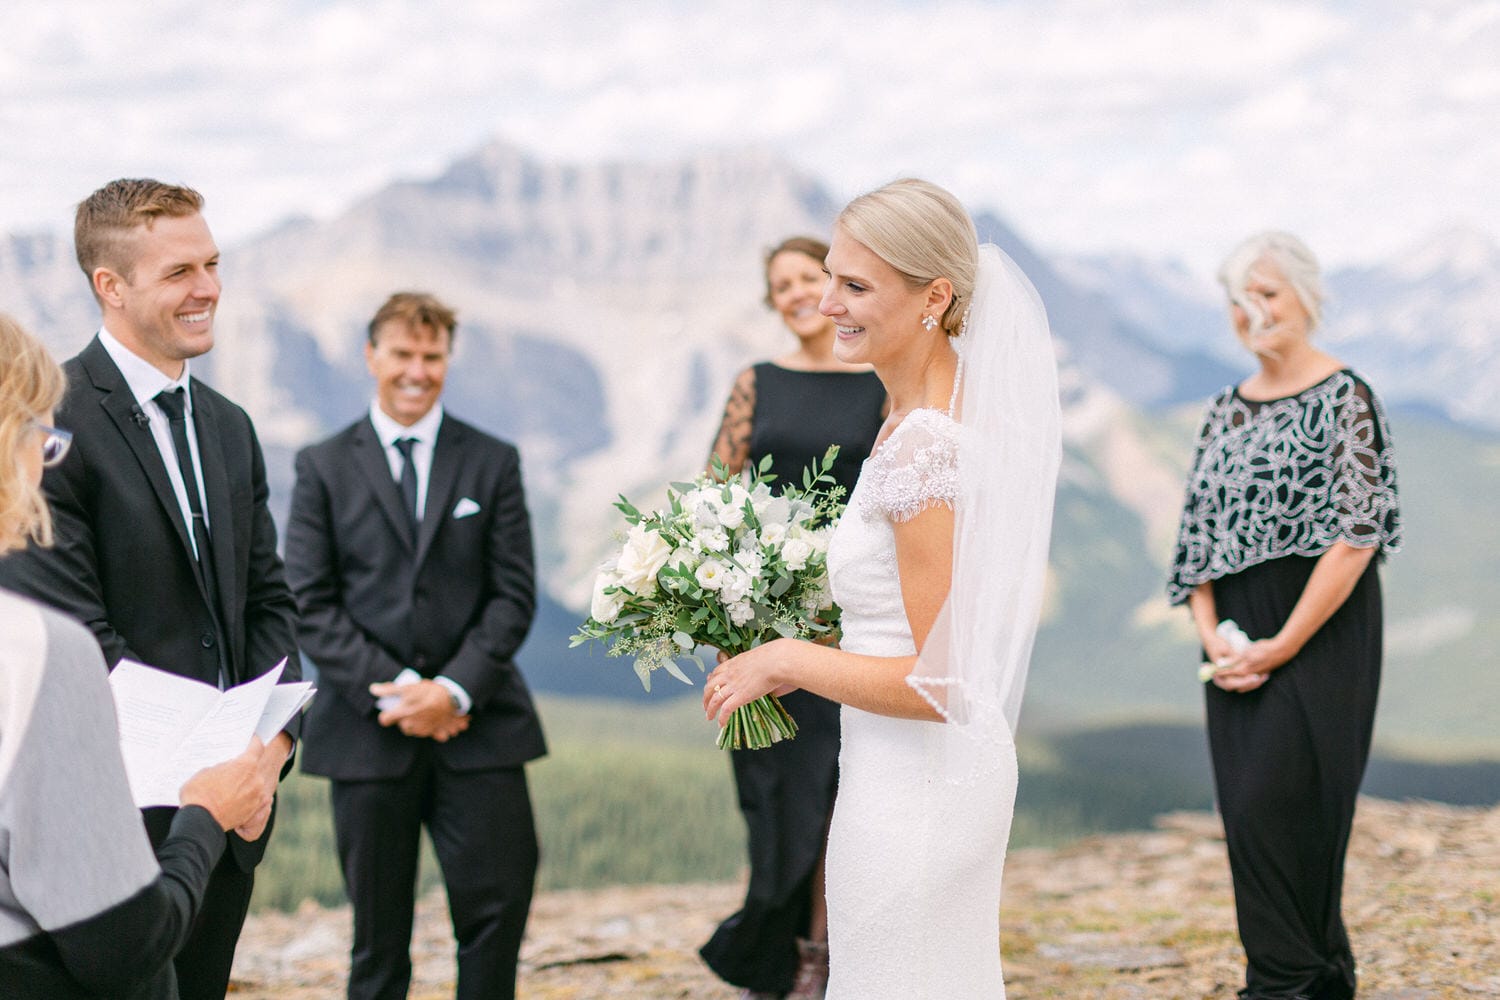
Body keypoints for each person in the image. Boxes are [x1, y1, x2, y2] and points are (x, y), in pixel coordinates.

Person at [703, 180, 1061, 998]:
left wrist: (785, 659)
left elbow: (943, 681)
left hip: (916, 787)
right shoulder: (920, 418)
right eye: (831, 277)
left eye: (855, 286)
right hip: (899, 771)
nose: (826, 303)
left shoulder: (925, 446)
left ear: (935, 296)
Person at [0, 178, 302, 1000]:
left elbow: (269, 602)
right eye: (179, 272)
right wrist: (201, 777)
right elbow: (74, 635)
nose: (208, 287)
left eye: (211, 263)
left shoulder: (232, 427)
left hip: (231, 817)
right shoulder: (47, 421)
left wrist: (267, 753)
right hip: (107, 830)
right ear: (112, 285)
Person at [284, 292, 546, 1000]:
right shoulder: (323, 465)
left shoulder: (492, 460)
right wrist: (405, 694)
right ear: (372, 356)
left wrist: (453, 690)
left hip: (480, 724)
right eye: (403, 354)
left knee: (495, 919)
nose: (417, 371)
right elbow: (311, 602)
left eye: (432, 357)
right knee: (378, 938)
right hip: (367, 733)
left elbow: (514, 595)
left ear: (447, 361)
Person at [1167, 232, 1401, 1000]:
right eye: (1239, 297)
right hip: (1234, 638)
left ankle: (1279, 985)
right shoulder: (1222, 411)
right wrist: (1217, 642)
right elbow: (1195, 539)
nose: (1253, 310)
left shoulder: (1346, 397)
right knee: (1249, 817)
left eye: (1268, 292)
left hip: (1322, 629)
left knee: (1290, 811)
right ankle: (1322, 978)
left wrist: (1282, 645)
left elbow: (1356, 535)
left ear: (1306, 295)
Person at [700, 236, 886, 1000]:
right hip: (757, 622)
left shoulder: (878, 381)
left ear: (837, 284)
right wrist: (720, 629)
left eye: (808, 276)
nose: (795, 292)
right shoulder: (756, 383)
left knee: (832, 794)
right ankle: (772, 956)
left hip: (850, 622)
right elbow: (712, 504)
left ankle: (816, 958)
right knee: (772, 800)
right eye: (779, 284)